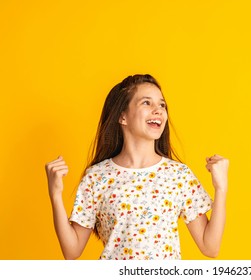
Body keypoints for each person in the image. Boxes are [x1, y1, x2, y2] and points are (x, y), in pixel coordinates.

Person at [45, 74, 229, 260]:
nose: (158, 110)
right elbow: (72, 251)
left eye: (162, 105)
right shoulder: (96, 177)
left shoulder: (178, 175)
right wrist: (55, 194)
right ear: (122, 116)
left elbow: (210, 247)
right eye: (146, 103)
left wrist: (221, 189)